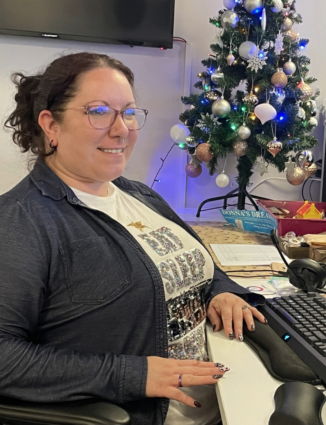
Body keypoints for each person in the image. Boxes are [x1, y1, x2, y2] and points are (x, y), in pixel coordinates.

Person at [0, 52, 267, 425]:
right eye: (98, 111)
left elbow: (195, 264)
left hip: (228, 401)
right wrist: (131, 375)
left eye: (127, 112)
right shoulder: (20, 222)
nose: (121, 128)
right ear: (51, 125)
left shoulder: (138, 194)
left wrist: (222, 291)